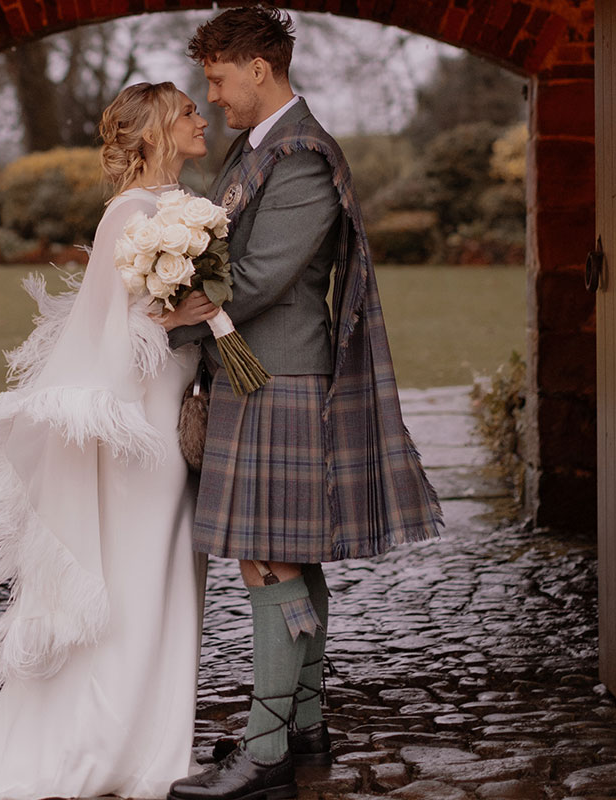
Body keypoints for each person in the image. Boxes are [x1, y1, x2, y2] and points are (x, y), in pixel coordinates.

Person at [0, 82, 219, 800]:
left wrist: (195, 312)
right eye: (187, 110)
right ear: (152, 131)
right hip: (138, 432)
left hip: (165, 411)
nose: (200, 117)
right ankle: (115, 745)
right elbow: (107, 330)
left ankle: (155, 741)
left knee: (170, 578)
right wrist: (182, 313)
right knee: (140, 581)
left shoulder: (177, 210)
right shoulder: (132, 212)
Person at [165, 7, 442, 800]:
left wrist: (165, 310)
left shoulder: (303, 157)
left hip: (276, 377)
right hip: (258, 373)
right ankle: (303, 722)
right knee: (286, 555)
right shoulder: (255, 148)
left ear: (260, 67)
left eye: (218, 79)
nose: (212, 97)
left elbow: (254, 281)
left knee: (267, 557)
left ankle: (263, 752)